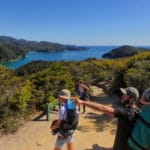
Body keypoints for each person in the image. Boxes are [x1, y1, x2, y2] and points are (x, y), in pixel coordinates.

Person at [75, 87, 140, 150]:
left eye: (125, 95)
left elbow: (103, 108)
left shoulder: (129, 114)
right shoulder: (137, 111)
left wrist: (82, 102)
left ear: (132, 99)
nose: (122, 96)